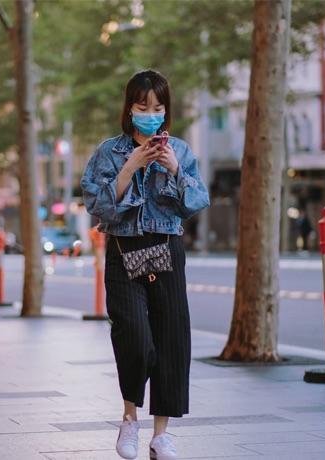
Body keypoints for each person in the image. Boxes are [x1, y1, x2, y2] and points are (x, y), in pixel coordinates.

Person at [81, 70, 209, 460]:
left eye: (157, 107)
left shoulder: (182, 151)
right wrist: (129, 167)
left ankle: (161, 435)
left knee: (172, 342)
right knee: (134, 336)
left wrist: (173, 169)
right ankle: (129, 419)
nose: (150, 113)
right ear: (130, 109)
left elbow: (197, 201)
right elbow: (96, 205)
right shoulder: (108, 152)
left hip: (167, 249)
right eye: (142, 107)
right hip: (123, 252)